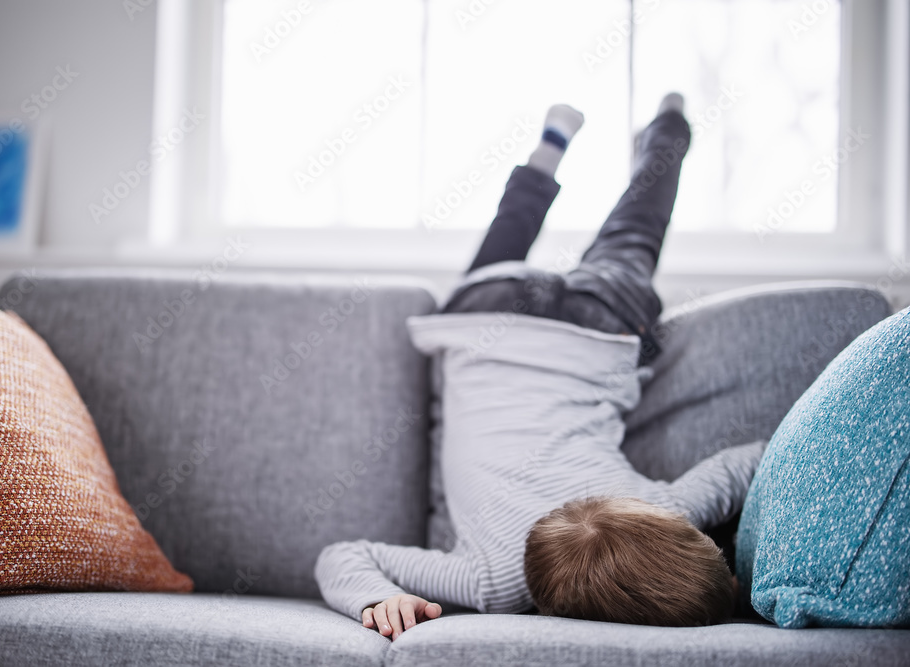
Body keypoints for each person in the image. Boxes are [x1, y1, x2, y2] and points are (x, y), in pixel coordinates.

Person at [314, 95, 766, 638]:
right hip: (486, 322)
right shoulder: (490, 582)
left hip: (595, 329)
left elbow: (754, 459)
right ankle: (549, 148)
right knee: (508, 235)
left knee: (635, 232)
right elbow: (344, 556)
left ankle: (668, 126)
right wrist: (377, 597)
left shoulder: (665, 506)